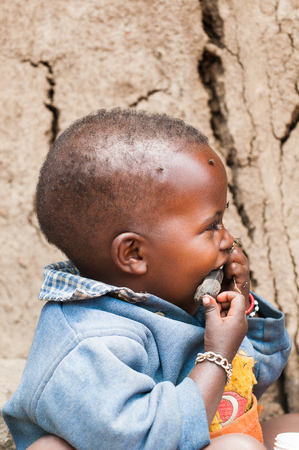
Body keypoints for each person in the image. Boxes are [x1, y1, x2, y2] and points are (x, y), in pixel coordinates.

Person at [3, 109, 298, 450]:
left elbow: (252, 383)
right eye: (211, 226)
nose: (228, 240)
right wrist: (217, 355)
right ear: (134, 255)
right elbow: (151, 440)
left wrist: (242, 303)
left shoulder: (176, 299)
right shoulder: (87, 345)